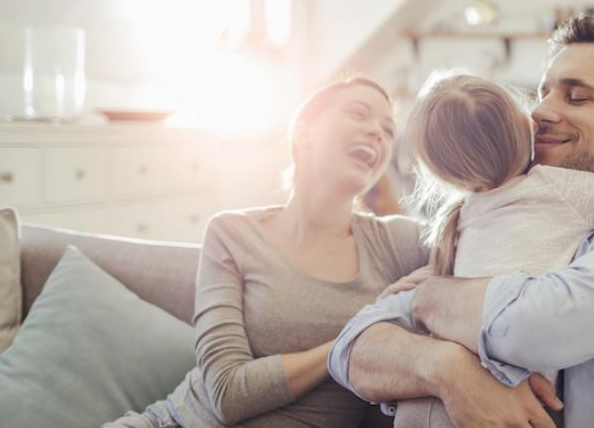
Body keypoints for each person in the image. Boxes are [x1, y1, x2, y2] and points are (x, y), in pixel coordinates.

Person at [328, 16, 594, 428]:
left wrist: (429, 296)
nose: (540, 112)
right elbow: (352, 348)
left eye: (575, 97)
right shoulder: (503, 204)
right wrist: (444, 366)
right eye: (542, 92)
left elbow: (533, 327)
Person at [105, 77, 430, 428]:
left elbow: (480, 238)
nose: (377, 132)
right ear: (303, 133)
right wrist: (352, 341)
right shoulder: (232, 233)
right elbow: (227, 393)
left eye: (387, 128)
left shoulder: (398, 242)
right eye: (358, 113)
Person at [384, 71, 594, 427]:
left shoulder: (462, 215)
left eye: (577, 97)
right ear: (525, 123)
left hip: (425, 405)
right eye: (541, 95)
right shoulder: (556, 187)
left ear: (444, 173)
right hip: (512, 399)